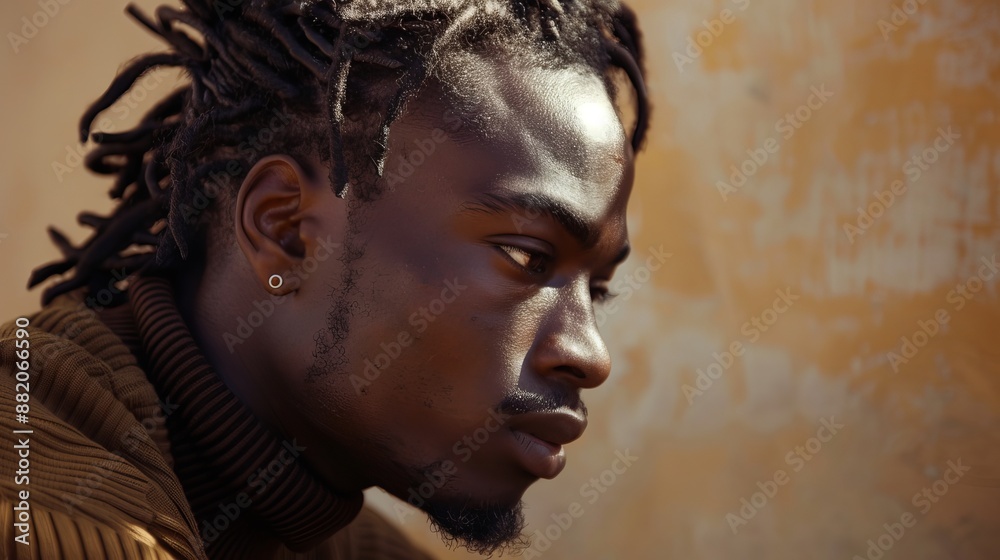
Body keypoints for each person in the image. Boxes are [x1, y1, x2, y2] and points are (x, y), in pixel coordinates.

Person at [0, 0, 649, 557]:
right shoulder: (37, 506)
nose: (591, 357)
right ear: (284, 229)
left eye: (595, 290)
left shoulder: (332, 534)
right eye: (528, 258)